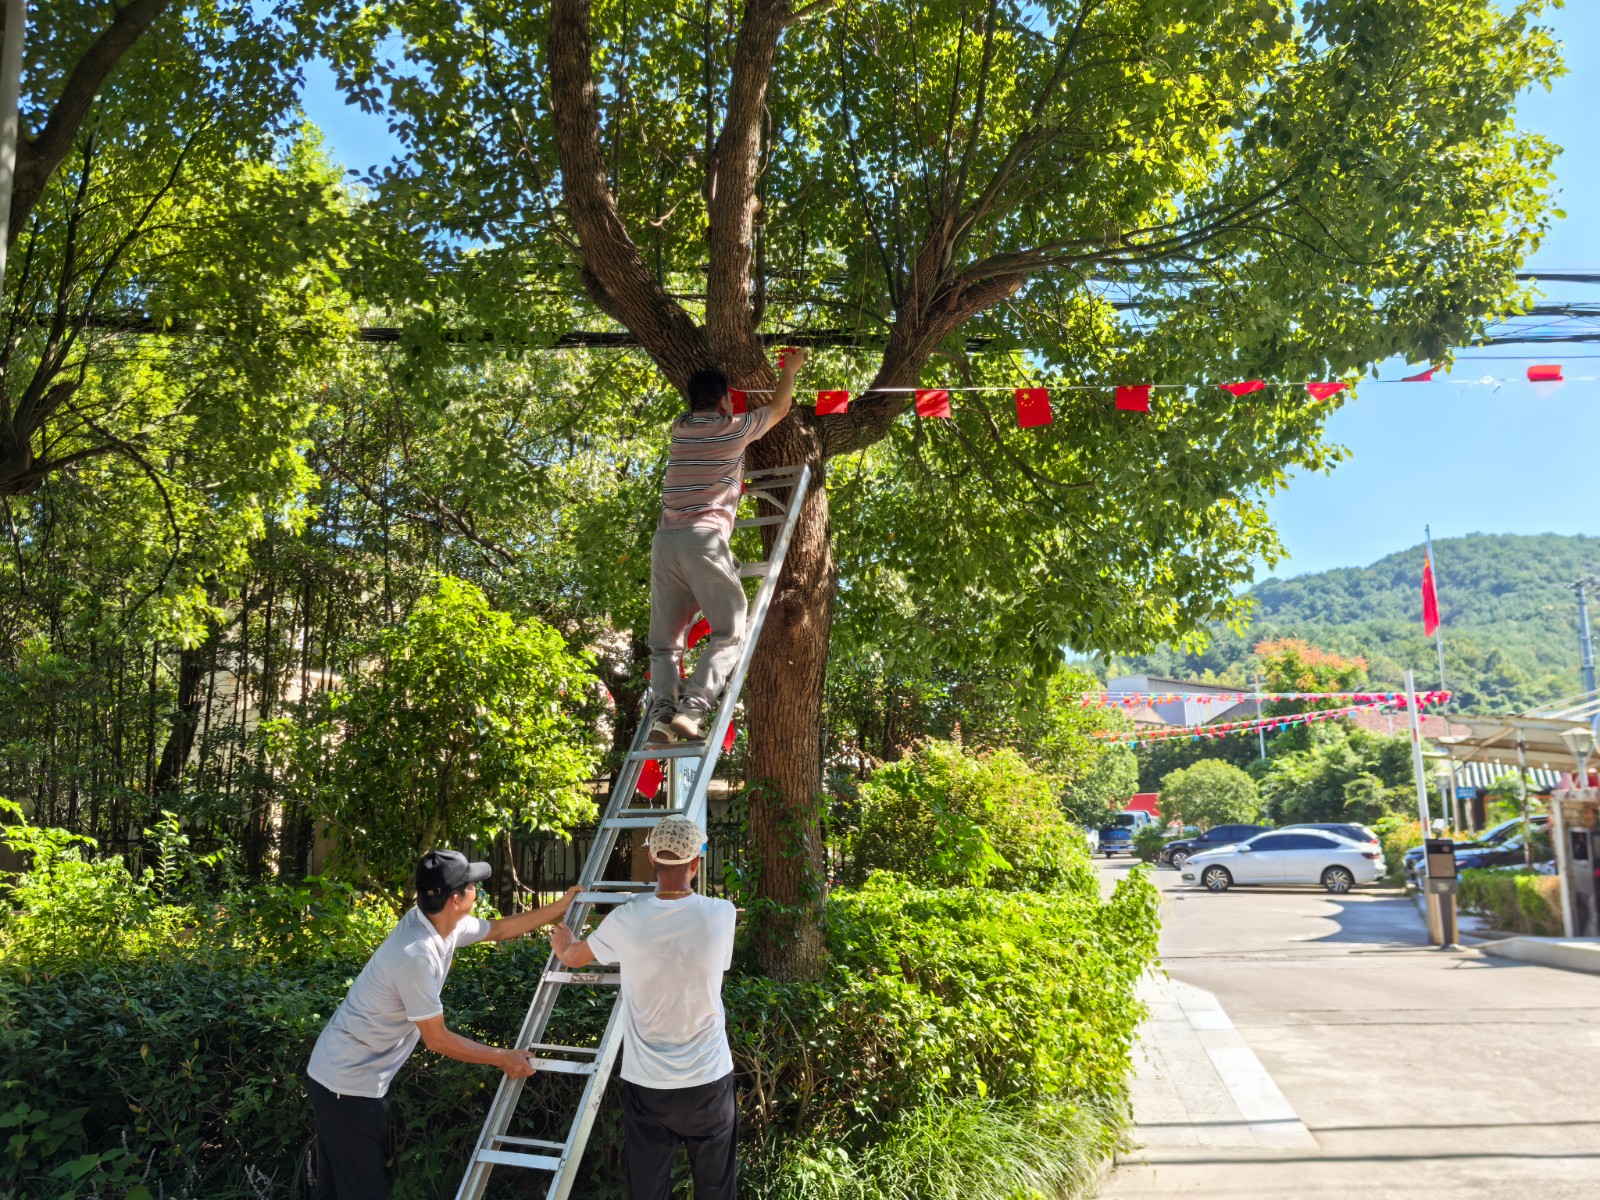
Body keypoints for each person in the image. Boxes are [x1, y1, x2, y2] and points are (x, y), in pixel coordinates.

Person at [306, 850, 579, 1199]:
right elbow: (437, 1040)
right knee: (363, 1190)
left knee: (335, 1188)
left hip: (344, 1077)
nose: (477, 890)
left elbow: (499, 929)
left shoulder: (437, 922)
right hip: (346, 1085)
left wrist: (561, 907)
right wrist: (502, 1057)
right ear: (455, 899)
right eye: (472, 885)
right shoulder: (415, 954)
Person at [549, 815, 738, 1200]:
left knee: (647, 1191)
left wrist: (564, 938)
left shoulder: (626, 919)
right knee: (718, 1191)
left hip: (648, 1083)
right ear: (695, 862)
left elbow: (573, 957)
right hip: (710, 1077)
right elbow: (717, 965)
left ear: (652, 858)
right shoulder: (723, 913)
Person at [648, 347, 807, 745]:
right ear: (724, 400)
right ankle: (692, 710)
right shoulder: (733, 428)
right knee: (730, 630)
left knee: (665, 644)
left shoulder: (680, 427)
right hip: (703, 539)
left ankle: (662, 716)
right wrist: (790, 369)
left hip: (665, 544)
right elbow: (781, 407)